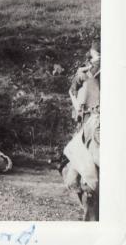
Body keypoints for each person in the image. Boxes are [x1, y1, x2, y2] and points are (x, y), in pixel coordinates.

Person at [62, 38, 101, 221]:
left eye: (99, 57)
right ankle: (89, 214)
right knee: (72, 172)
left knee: (92, 180)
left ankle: (93, 218)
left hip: (98, 128)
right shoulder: (85, 73)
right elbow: (73, 92)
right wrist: (78, 79)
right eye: (94, 57)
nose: (96, 62)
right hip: (86, 126)